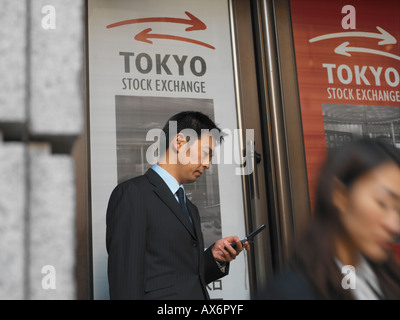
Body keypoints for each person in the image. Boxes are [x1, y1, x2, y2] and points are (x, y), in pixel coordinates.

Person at [106, 111, 249, 299]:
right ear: (180, 142)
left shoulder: (190, 209)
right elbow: (125, 283)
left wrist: (212, 257)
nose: (207, 164)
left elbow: (184, 278)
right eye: (206, 153)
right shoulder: (133, 194)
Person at [260, 138, 400, 299]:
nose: (394, 226)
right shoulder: (288, 293)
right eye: (382, 203)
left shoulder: (386, 281)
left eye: (398, 210)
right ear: (340, 195)